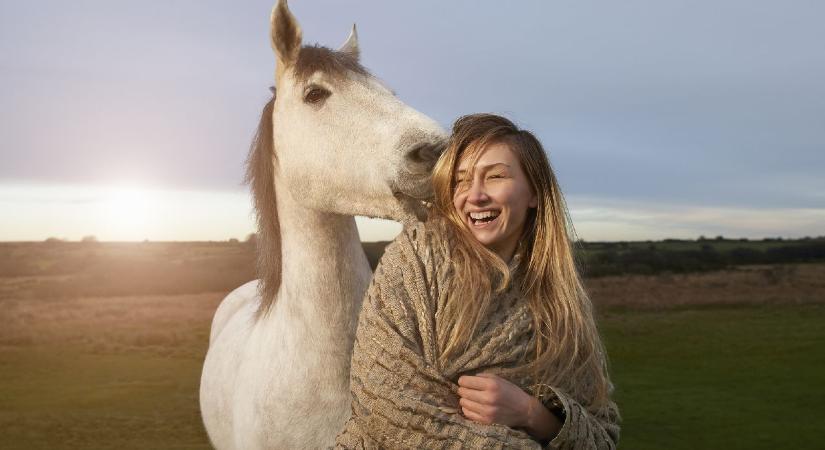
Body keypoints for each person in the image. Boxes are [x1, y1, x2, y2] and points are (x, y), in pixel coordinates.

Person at [335, 114, 621, 449]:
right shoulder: (413, 262)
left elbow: (601, 437)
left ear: (534, 192)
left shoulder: (561, 305)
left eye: (496, 176)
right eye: (461, 181)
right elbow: (382, 397)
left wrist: (531, 413)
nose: (475, 195)